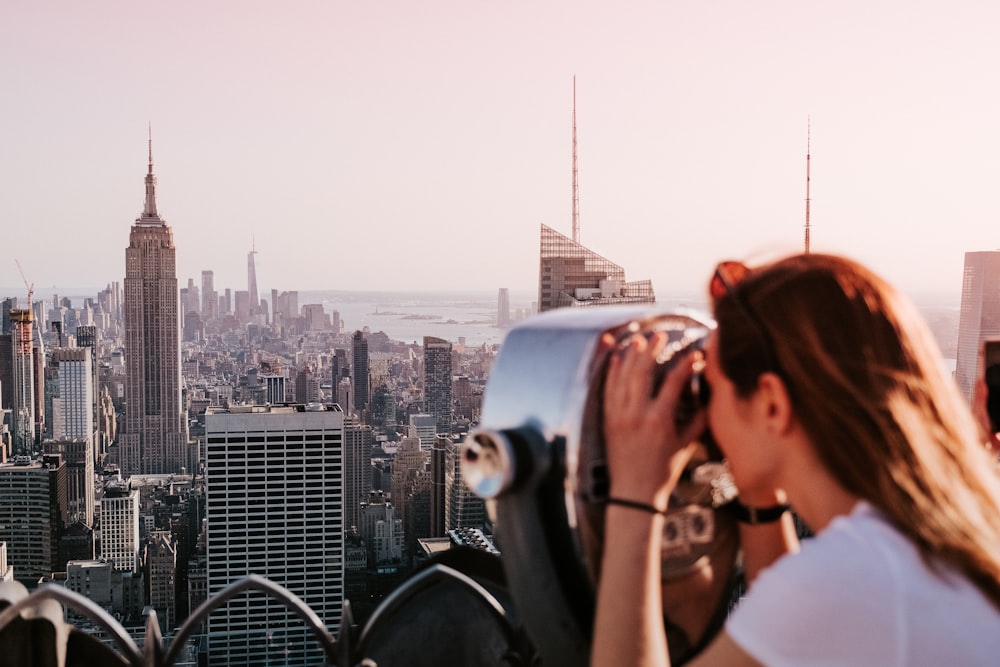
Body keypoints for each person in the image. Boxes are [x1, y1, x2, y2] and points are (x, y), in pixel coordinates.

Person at [593, 253, 1000, 666]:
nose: (704, 419)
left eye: (710, 388)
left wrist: (635, 494)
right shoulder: (923, 540)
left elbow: (805, 605)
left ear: (771, 404)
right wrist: (758, 495)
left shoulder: (849, 578)